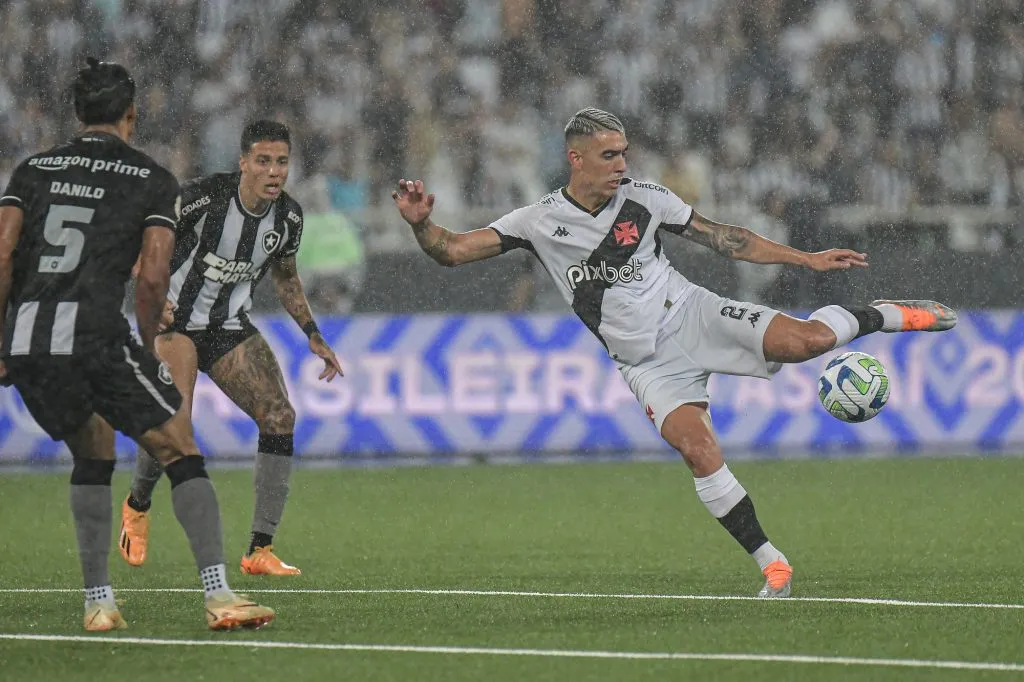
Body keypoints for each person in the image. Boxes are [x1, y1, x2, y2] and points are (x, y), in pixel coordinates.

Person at [392, 107, 957, 597]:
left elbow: (725, 237)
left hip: (692, 314)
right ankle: (773, 563)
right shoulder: (537, 220)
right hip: (643, 362)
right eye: (609, 155)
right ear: (576, 158)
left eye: (624, 154)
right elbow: (452, 251)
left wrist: (804, 259)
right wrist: (423, 226)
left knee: (810, 342)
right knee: (696, 449)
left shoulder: (646, 199)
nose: (621, 165)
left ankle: (884, 314)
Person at [0, 58, 274, 630]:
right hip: (94, 334)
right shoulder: (148, 178)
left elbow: (3, 255)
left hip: (30, 339)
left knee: (94, 453)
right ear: (131, 114)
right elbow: (153, 278)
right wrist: (151, 341)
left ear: (77, 113)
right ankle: (219, 595)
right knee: (179, 446)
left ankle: (99, 604)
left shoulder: (32, 171)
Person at [118, 120, 343, 577]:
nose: (274, 171)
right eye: (263, 161)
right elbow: (142, 245)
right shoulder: (202, 198)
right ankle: (137, 506)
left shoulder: (290, 218)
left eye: (281, 161)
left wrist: (313, 334)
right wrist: (151, 296)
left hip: (226, 327)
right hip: (173, 323)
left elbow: (285, 276)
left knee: (280, 416)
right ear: (243, 163)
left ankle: (259, 549)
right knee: (175, 423)